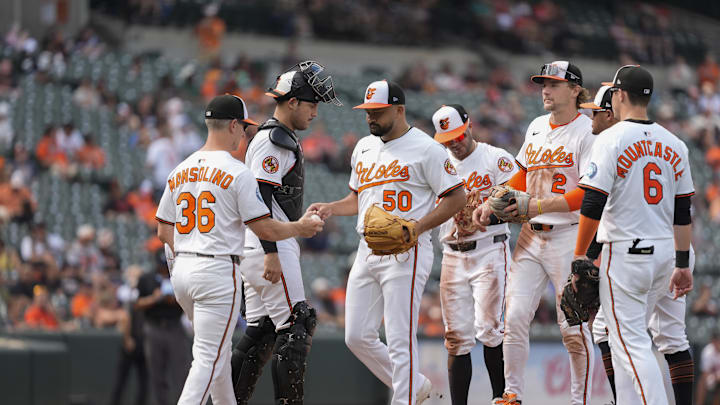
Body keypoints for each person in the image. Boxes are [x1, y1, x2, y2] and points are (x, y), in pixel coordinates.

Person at [154, 94, 324, 405]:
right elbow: (265, 229)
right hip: (216, 272)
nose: (245, 134)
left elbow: (163, 229)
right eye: (243, 128)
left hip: (183, 271)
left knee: (216, 360)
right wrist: (300, 228)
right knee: (207, 359)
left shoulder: (180, 169)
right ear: (233, 125)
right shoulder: (237, 172)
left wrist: (190, 252)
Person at [308, 80, 466, 405]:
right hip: (367, 249)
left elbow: (457, 198)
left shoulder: (427, 149)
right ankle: (415, 384)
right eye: (368, 112)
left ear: (399, 109)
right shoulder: (364, 147)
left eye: (378, 112)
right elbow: (357, 198)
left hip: (407, 250)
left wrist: (419, 228)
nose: (371, 118)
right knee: (356, 336)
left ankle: (405, 398)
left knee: (398, 337)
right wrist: (331, 208)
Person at [473, 61, 596, 405]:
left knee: (572, 326)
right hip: (529, 236)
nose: (545, 89)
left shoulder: (588, 132)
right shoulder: (537, 126)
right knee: (512, 318)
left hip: (568, 235)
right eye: (543, 84)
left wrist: (538, 205)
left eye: (554, 84)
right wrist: (492, 202)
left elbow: (587, 193)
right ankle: (512, 394)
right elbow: (522, 175)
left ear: (575, 90)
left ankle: (580, 400)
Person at [572, 65, 694, 405]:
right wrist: (683, 263)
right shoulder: (675, 143)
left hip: (627, 254)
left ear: (619, 94)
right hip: (666, 253)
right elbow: (683, 212)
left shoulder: (610, 138)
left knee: (631, 345)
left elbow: (593, 202)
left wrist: (580, 254)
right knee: (630, 337)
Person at [230, 60, 341, 405]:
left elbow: (270, 199)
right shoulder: (274, 138)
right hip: (269, 245)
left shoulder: (274, 136)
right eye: (311, 104)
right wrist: (272, 251)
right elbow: (259, 199)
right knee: (297, 324)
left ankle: (228, 401)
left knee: (263, 332)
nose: (315, 113)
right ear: (292, 102)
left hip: (261, 243)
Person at [431, 104, 517, 405]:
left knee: (490, 329)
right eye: (447, 139)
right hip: (452, 253)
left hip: (489, 249)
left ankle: (500, 398)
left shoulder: (496, 158)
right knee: (456, 338)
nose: (454, 142)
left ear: (469, 126)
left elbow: (520, 198)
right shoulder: (438, 164)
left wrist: (491, 214)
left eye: (458, 134)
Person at [134, 251, 190, 405]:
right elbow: (137, 304)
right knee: (157, 373)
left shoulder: (178, 277)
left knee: (181, 373)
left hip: (174, 327)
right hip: (154, 327)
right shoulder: (146, 278)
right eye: (162, 266)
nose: (164, 270)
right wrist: (154, 298)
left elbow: (190, 301)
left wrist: (176, 300)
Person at [697, 332, 720, 405]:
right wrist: (713, 379)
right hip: (712, 377)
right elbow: (705, 373)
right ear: (713, 341)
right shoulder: (708, 351)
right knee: (701, 382)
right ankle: (699, 403)